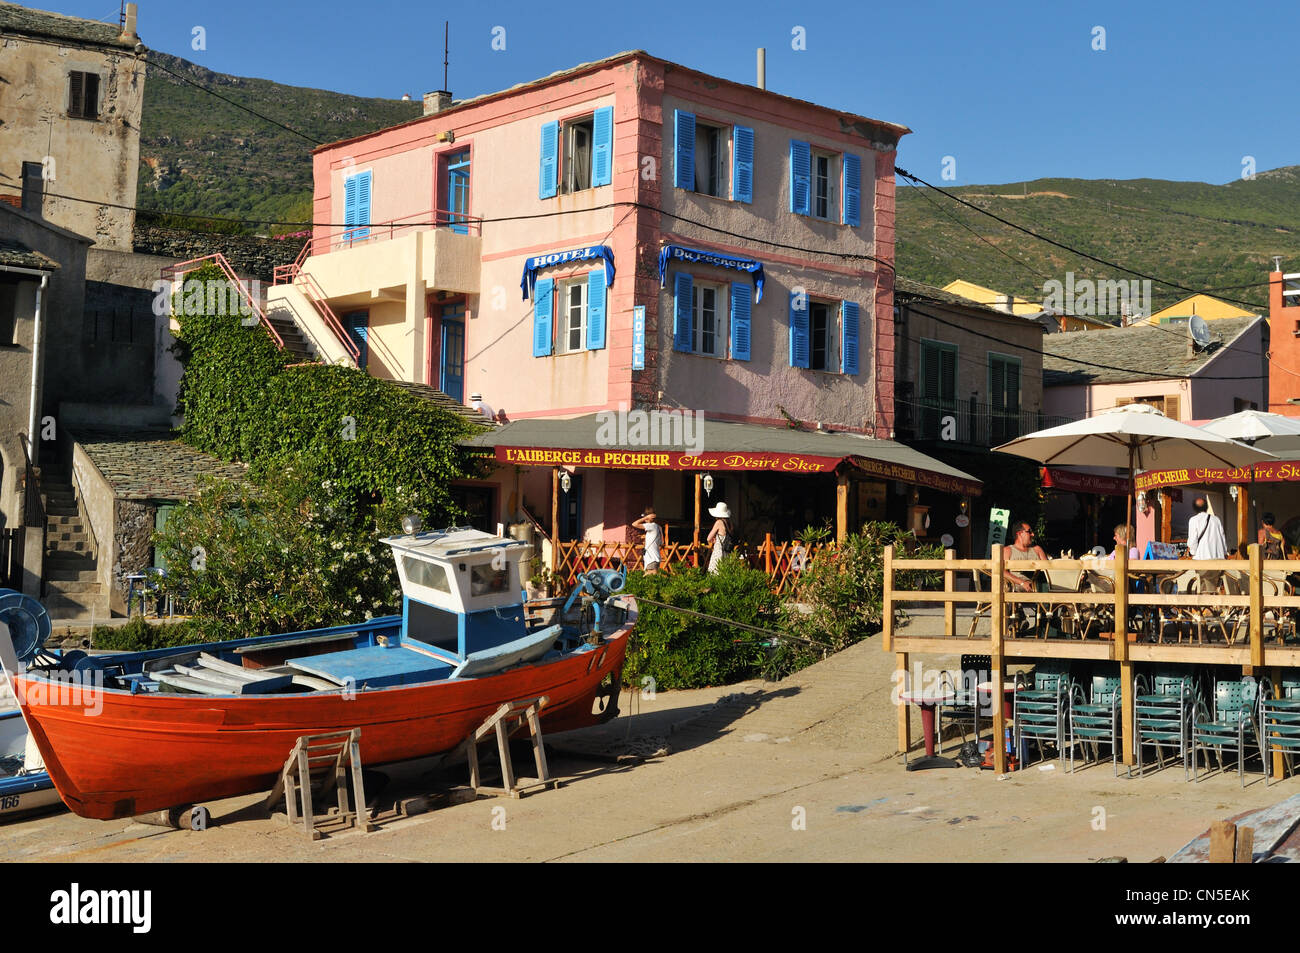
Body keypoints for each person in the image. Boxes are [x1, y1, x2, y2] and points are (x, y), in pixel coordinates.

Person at [1185, 496, 1227, 593]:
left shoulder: (1193, 520)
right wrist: (1224, 554)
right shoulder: (1216, 520)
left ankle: (1206, 606)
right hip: (1218, 560)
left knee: (1204, 587)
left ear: (1194, 508)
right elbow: (1223, 538)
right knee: (1214, 586)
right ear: (1206, 507)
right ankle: (1212, 605)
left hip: (1203, 560)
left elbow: (1192, 541)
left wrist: (1192, 553)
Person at [1003, 521, 1048, 593]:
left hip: (1038, 585)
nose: (1032, 534)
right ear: (1019, 533)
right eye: (1029, 532)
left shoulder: (1037, 549)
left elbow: (1047, 570)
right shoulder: (1008, 550)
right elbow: (1002, 571)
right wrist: (1021, 582)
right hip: (1016, 587)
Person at [632, 507, 662, 575]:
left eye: (646, 517)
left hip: (651, 558)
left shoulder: (651, 526)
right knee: (649, 577)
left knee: (651, 578)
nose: (645, 519)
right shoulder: (658, 527)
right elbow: (660, 543)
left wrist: (645, 518)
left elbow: (634, 524)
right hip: (654, 557)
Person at [705, 502, 733, 574]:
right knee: (725, 573)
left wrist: (714, 540)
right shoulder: (729, 522)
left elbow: (708, 538)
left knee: (715, 572)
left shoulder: (719, 522)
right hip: (727, 551)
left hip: (719, 552)